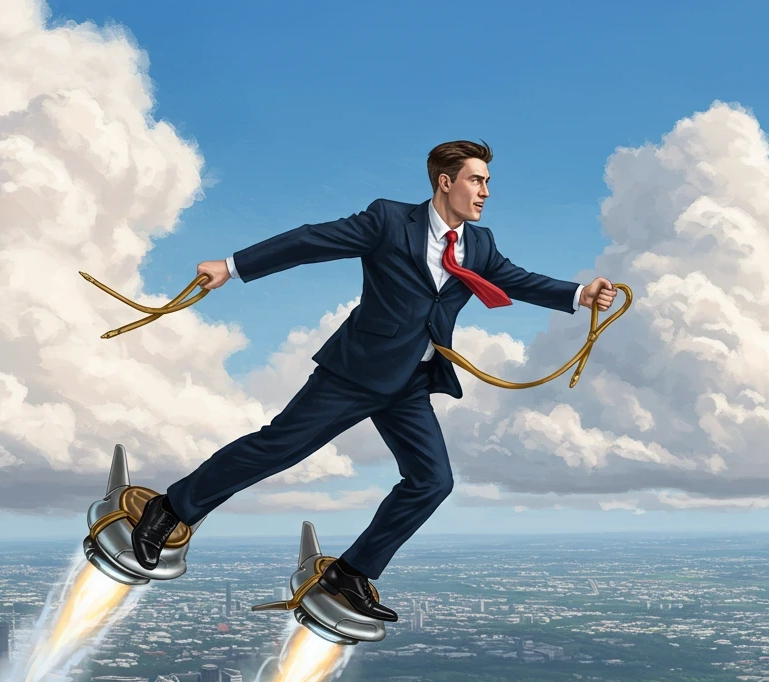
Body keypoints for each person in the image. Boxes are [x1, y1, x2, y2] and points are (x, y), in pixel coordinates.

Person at [132, 140, 617, 622]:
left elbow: (518, 279)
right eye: (476, 179)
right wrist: (232, 267)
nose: (486, 191)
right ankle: (171, 509)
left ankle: (350, 572)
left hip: (411, 382)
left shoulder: (479, 244)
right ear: (445, 183)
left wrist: (580, 293)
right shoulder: (388, 220)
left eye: (488, 181)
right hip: (356, 371)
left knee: (432, 481)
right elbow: (309, 241)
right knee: (277, 448)